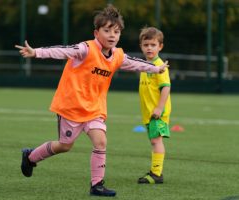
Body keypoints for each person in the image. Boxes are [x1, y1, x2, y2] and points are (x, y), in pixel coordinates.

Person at [15, 5, 168, 197]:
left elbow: (135, 63)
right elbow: (62, 51)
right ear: (96, 33)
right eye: (107, 31)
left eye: (117, 31)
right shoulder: (85, 49)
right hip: (72, 107)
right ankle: (30, 157)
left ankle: (97, 185)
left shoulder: (117, 55)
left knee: (101, 141)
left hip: (95, 109)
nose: (112, 35)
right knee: (65, 145)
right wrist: (36, 52)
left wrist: (156, 68)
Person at [137, 27, 171, 184]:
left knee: (156, 141)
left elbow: (166, 87)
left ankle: (157, 174)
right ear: (141, 46)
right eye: (146, 45)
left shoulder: (159, 65)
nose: (149, 48)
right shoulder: (146, 65)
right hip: (149, 112)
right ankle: (155, 172)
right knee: (154, 140)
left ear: (160, 46)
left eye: (153, 44)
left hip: (158, 111)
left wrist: (159, 108)